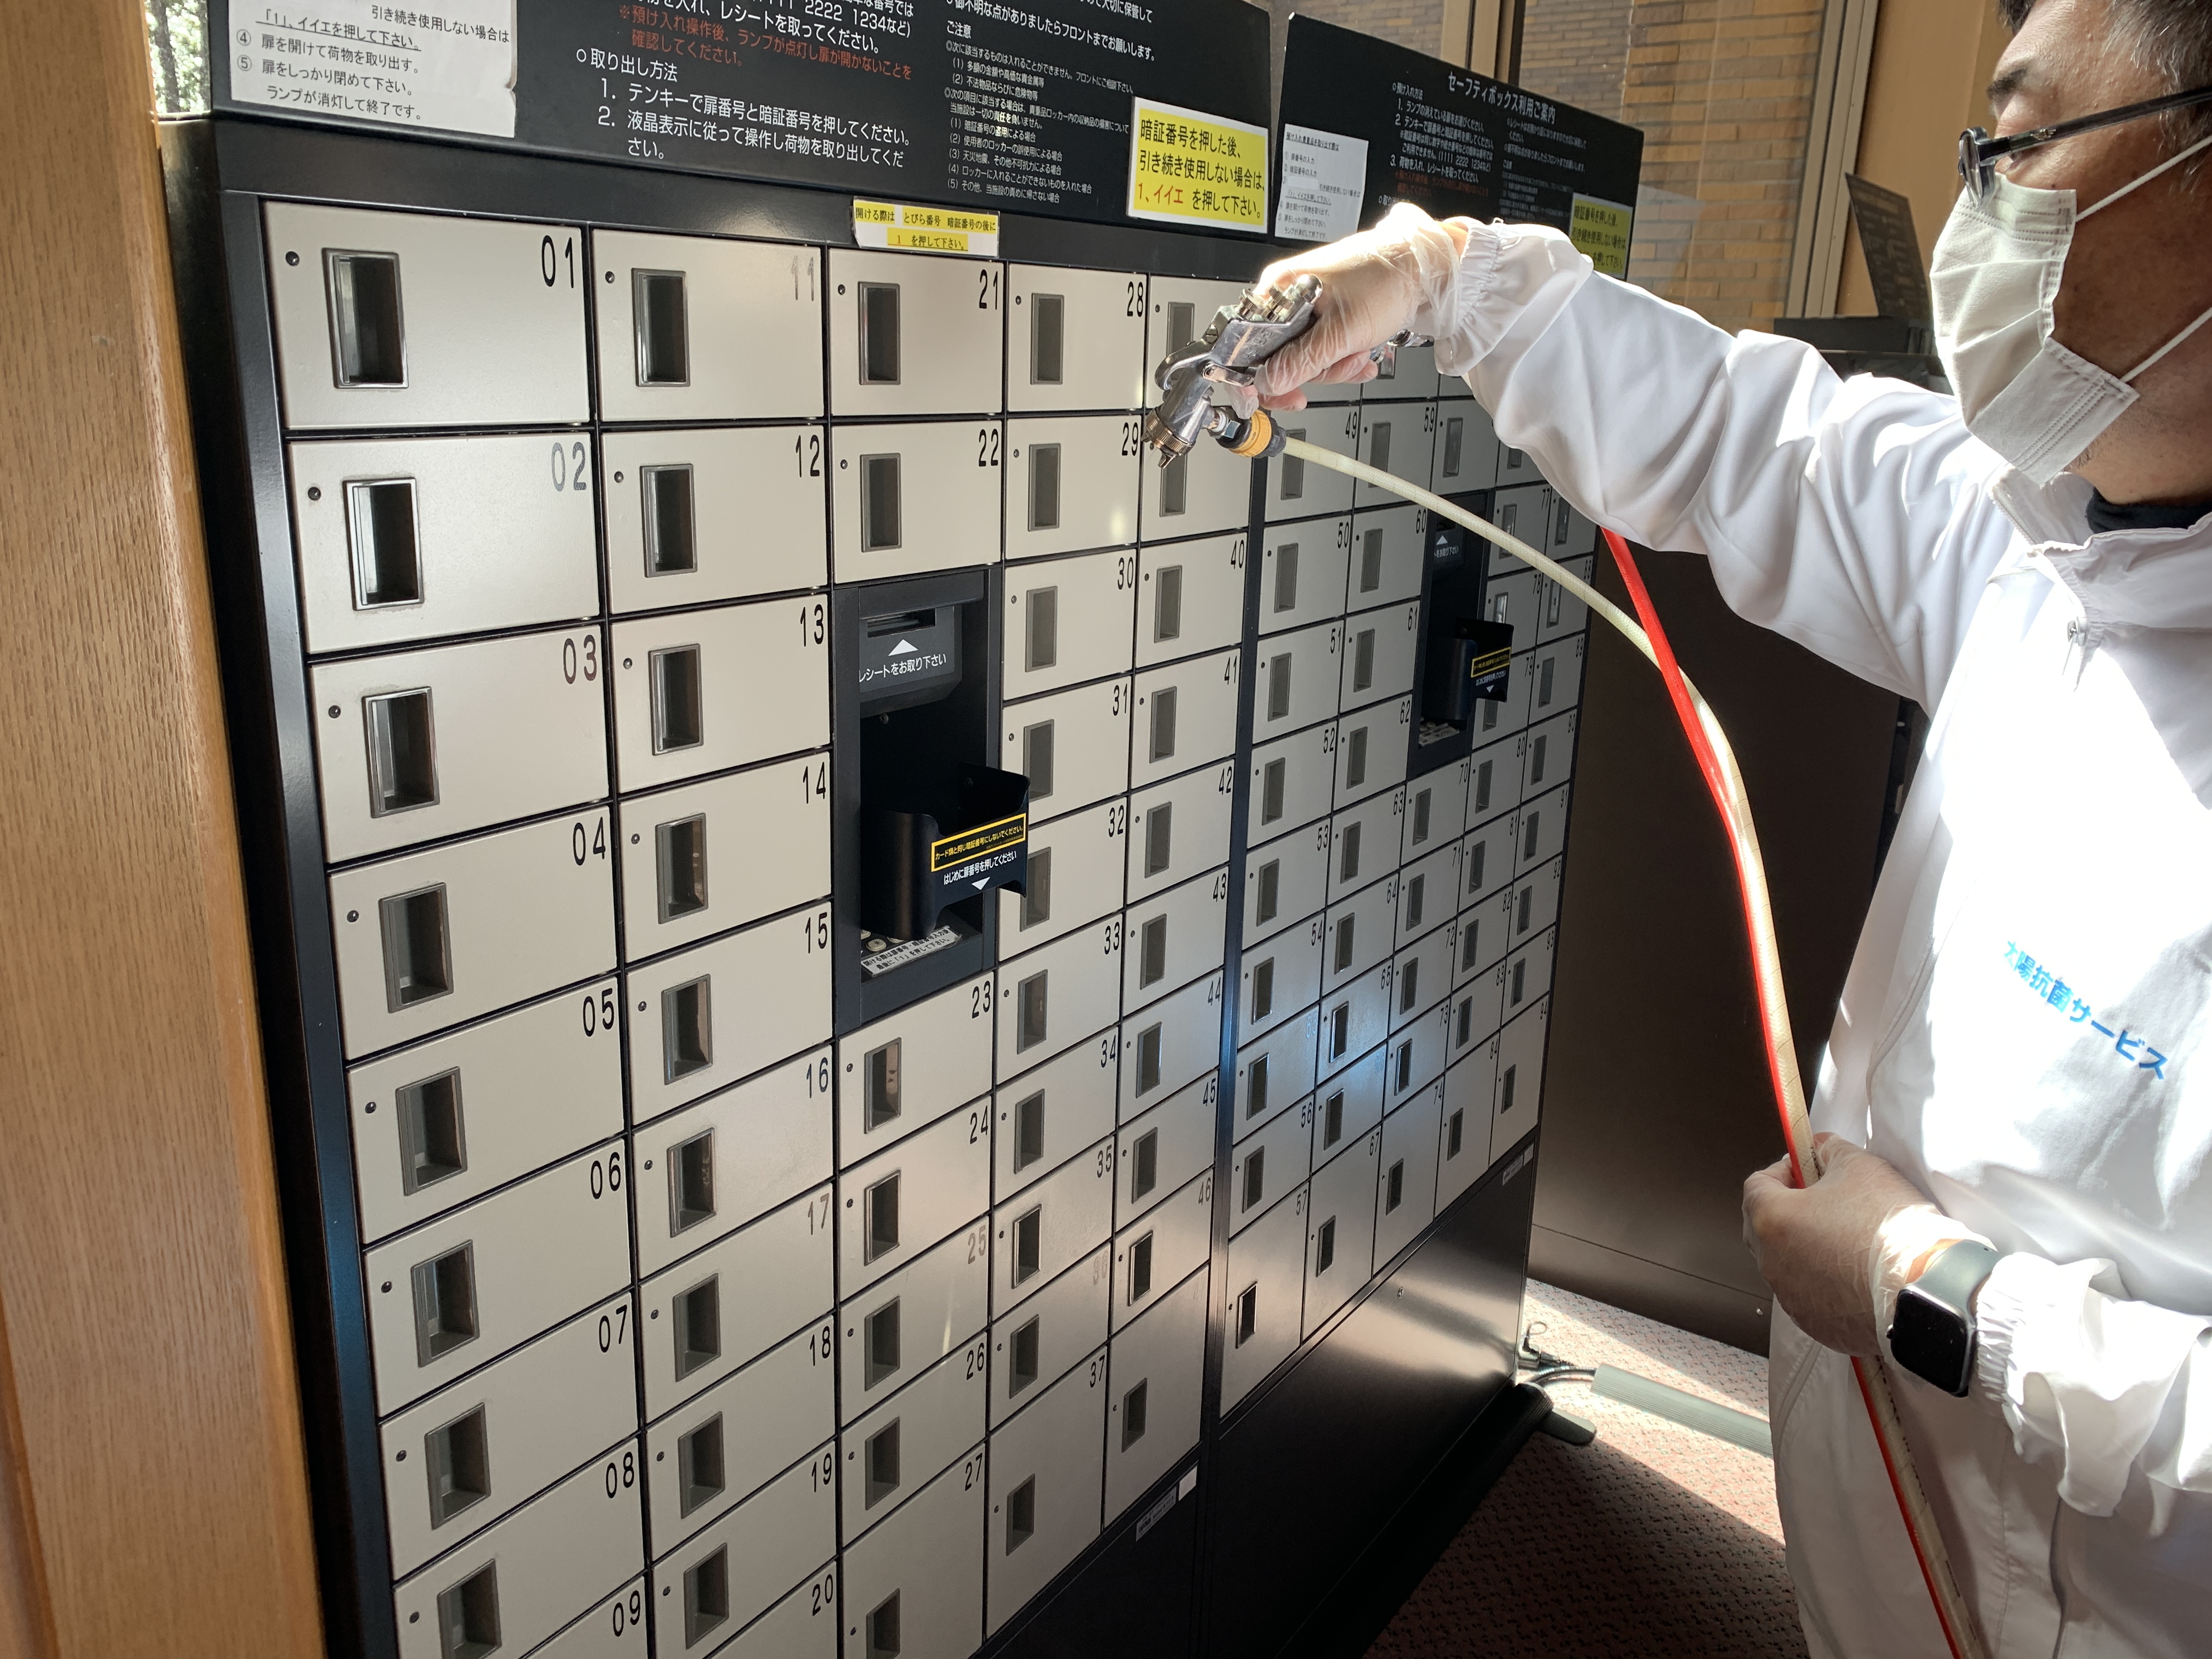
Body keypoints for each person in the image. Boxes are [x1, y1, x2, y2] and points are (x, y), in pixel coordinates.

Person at [1250, 1, 2212, 1654]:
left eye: (2021, 143)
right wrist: (1442, 274)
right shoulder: (2066, 537)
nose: (1978, 206)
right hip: (1898, 1537)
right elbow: (1758, 436)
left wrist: (1939, 1297)